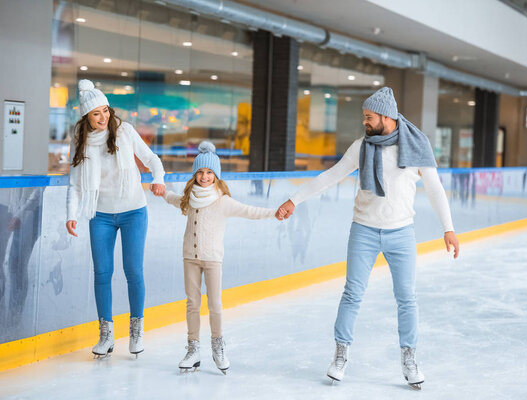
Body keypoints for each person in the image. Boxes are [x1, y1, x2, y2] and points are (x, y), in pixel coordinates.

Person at [276, 87, 460, 390]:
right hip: (364, 230)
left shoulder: (416, 145)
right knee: (352, 294)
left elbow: (436, 188)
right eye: (365, 117)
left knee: (407, 299)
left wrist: (448, 228)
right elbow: (330, 176)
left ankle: (409, 358)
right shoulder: (361, 146)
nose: (365, 122)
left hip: (401, 232)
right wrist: (294, 200)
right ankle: (341, 354)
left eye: (369, 117)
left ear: (386, 116)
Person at [66, 79, 166, 358]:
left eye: (106, 111)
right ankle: (106, 335)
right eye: (96, 113)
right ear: (86, 116)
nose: (103, 117)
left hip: (134, 211)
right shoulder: (81, 143)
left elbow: (151, 158)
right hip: (99, 215)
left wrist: (158, 179)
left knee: (133, 270)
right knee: (102, 273)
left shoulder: (125, 132)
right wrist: (71, 215)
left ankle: (136, 330)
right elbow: (74, 184)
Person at [162, 141, 276, 373]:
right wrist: (160, 190)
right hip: (190, 258)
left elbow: (250, 211)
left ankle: (217, 346)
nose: (204, 177)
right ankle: (193, 348)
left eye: (209, 173)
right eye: (201, 172)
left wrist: (275, 212)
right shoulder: (189, 198)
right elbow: (172, 197)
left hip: (213, 259)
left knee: (215, 304)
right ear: (195, 174)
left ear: (216, 176)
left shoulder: (223, 202)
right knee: (192, 304)